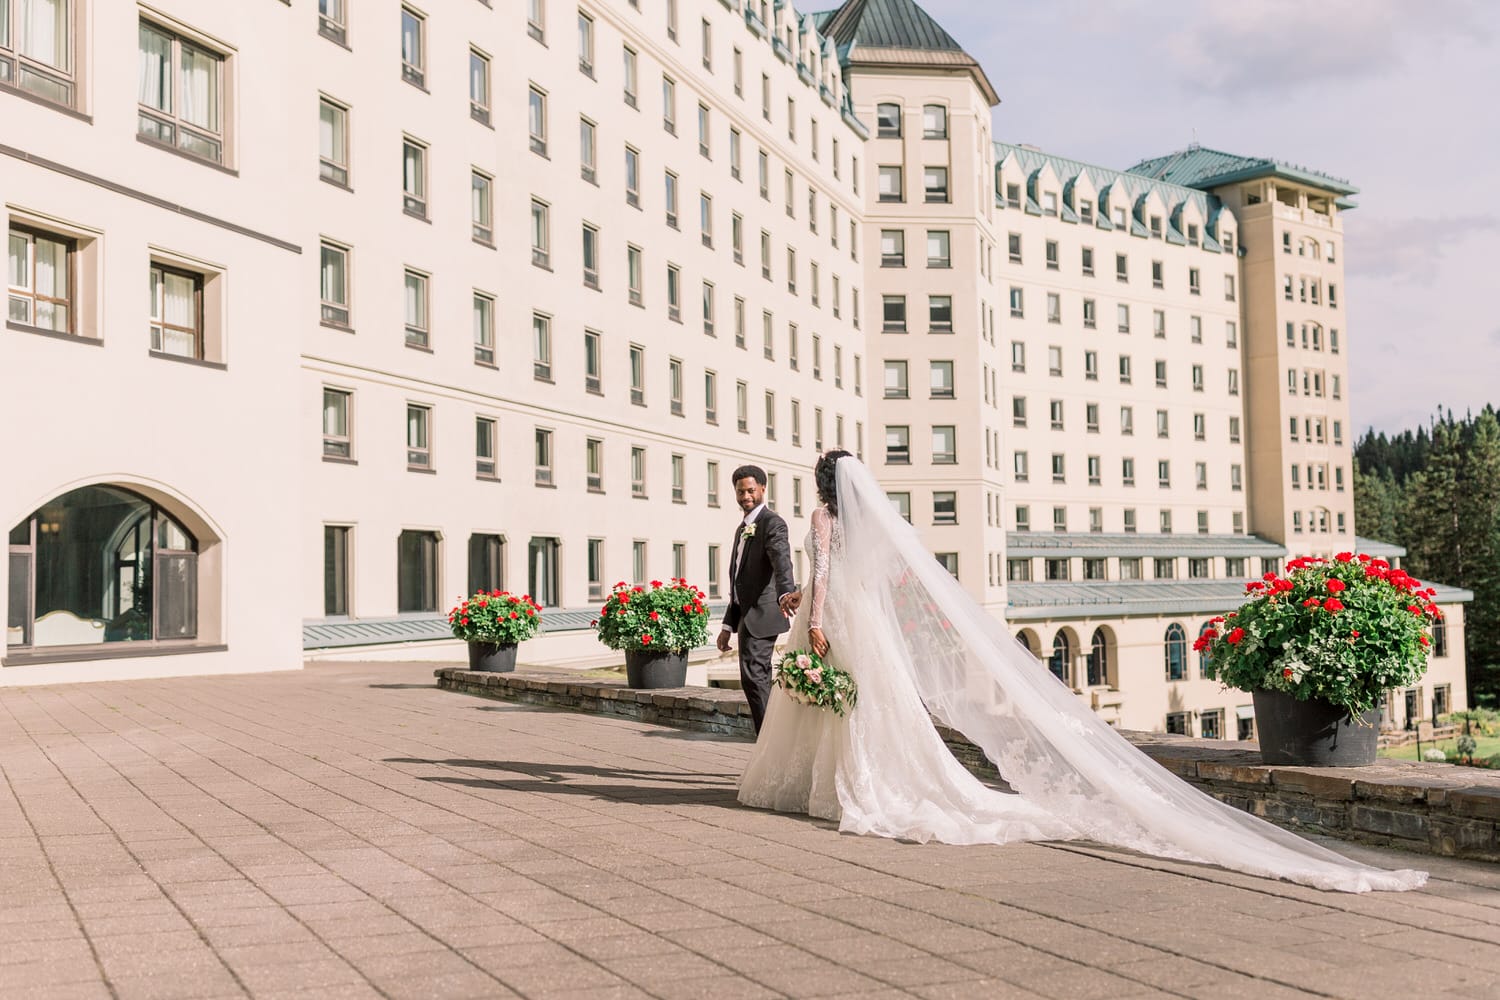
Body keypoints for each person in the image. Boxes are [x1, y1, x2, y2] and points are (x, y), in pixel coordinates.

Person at [738, 451, 1426, 894]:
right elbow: (877, 577)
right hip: (870, 624)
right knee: (869, 710)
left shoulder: (825, 517)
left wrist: (817, 620)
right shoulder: (873, 525)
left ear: (825, 487)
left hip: (837, 620)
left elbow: (825, 575)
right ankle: (849, 783)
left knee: (841, 707)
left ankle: (839, 788)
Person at [716, 465, 796, 734]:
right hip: (745, 618)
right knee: (754, 679)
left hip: (763, 615)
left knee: (755, 677)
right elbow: (738, 582)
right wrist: (728, 626)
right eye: (741, 491)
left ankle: (769, 740)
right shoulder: (742, 529)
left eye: (751, 490)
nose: (746, 496)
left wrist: (786, 591)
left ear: (763, 489)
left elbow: (781, 561)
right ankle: (771, 740)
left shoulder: (772, 523)